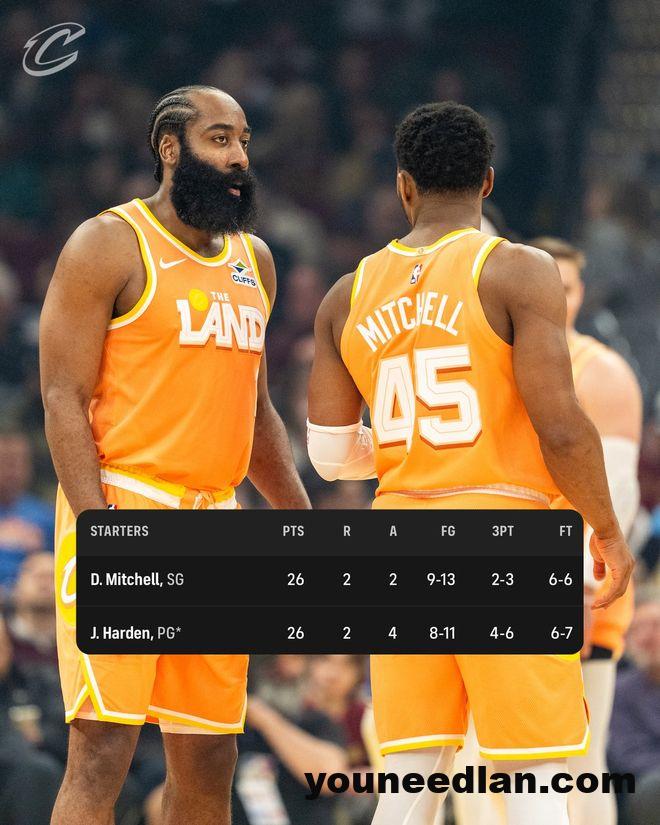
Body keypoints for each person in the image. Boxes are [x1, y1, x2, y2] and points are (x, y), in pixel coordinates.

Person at [307, 101, 634, 825]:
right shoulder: (516, 268)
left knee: (409, 780)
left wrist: (415, 453)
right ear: (487, 181)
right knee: (534, 776)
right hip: (504, 535)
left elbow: (328, 456)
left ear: (403, 187)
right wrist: (607, 532)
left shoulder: (345, 294)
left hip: (397, 541)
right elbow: (563, 430)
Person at [40, 85, 310, 825]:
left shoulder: (255, 259)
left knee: (210, 755)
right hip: (127, 504)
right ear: (170, 147)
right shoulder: (107, 243)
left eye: (244, 140)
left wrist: (302, 522)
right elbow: (62, 396)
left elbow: (256, 411)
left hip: (218, 523)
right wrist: (97, 528)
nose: (238, 156)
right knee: (103, 748)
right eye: (219, 139)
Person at [452, 237, 643, 825]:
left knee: (578, 759)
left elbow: (619, 493)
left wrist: (578, 586)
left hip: (576, 582)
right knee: (476, 757)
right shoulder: (489, 359)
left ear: (582, 294)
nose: (555, 297)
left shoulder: (602, 372)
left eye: (568, 288)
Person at [608, 590, 660, 825]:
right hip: (646, 786)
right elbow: (628, 756)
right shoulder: (619, 691)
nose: (651, 637)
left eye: (656, 625)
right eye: (639, 628)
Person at [0, 430, 54, 595]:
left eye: (20, 462)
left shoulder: (45, 516)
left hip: (31, 601)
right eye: (6, 462)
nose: (13, 471)